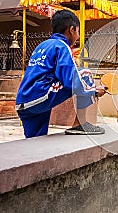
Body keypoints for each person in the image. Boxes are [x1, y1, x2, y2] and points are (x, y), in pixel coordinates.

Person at [16, 10, 106, 138]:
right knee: (84, 73)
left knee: (35, 142)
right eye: (78, 32)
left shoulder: (42, 46)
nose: (78, 36)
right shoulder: (62, 46)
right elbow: (71, 80)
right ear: (71, 29)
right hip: (40, 96)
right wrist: (94, 91)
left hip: (23, 102)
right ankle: (78, 124)